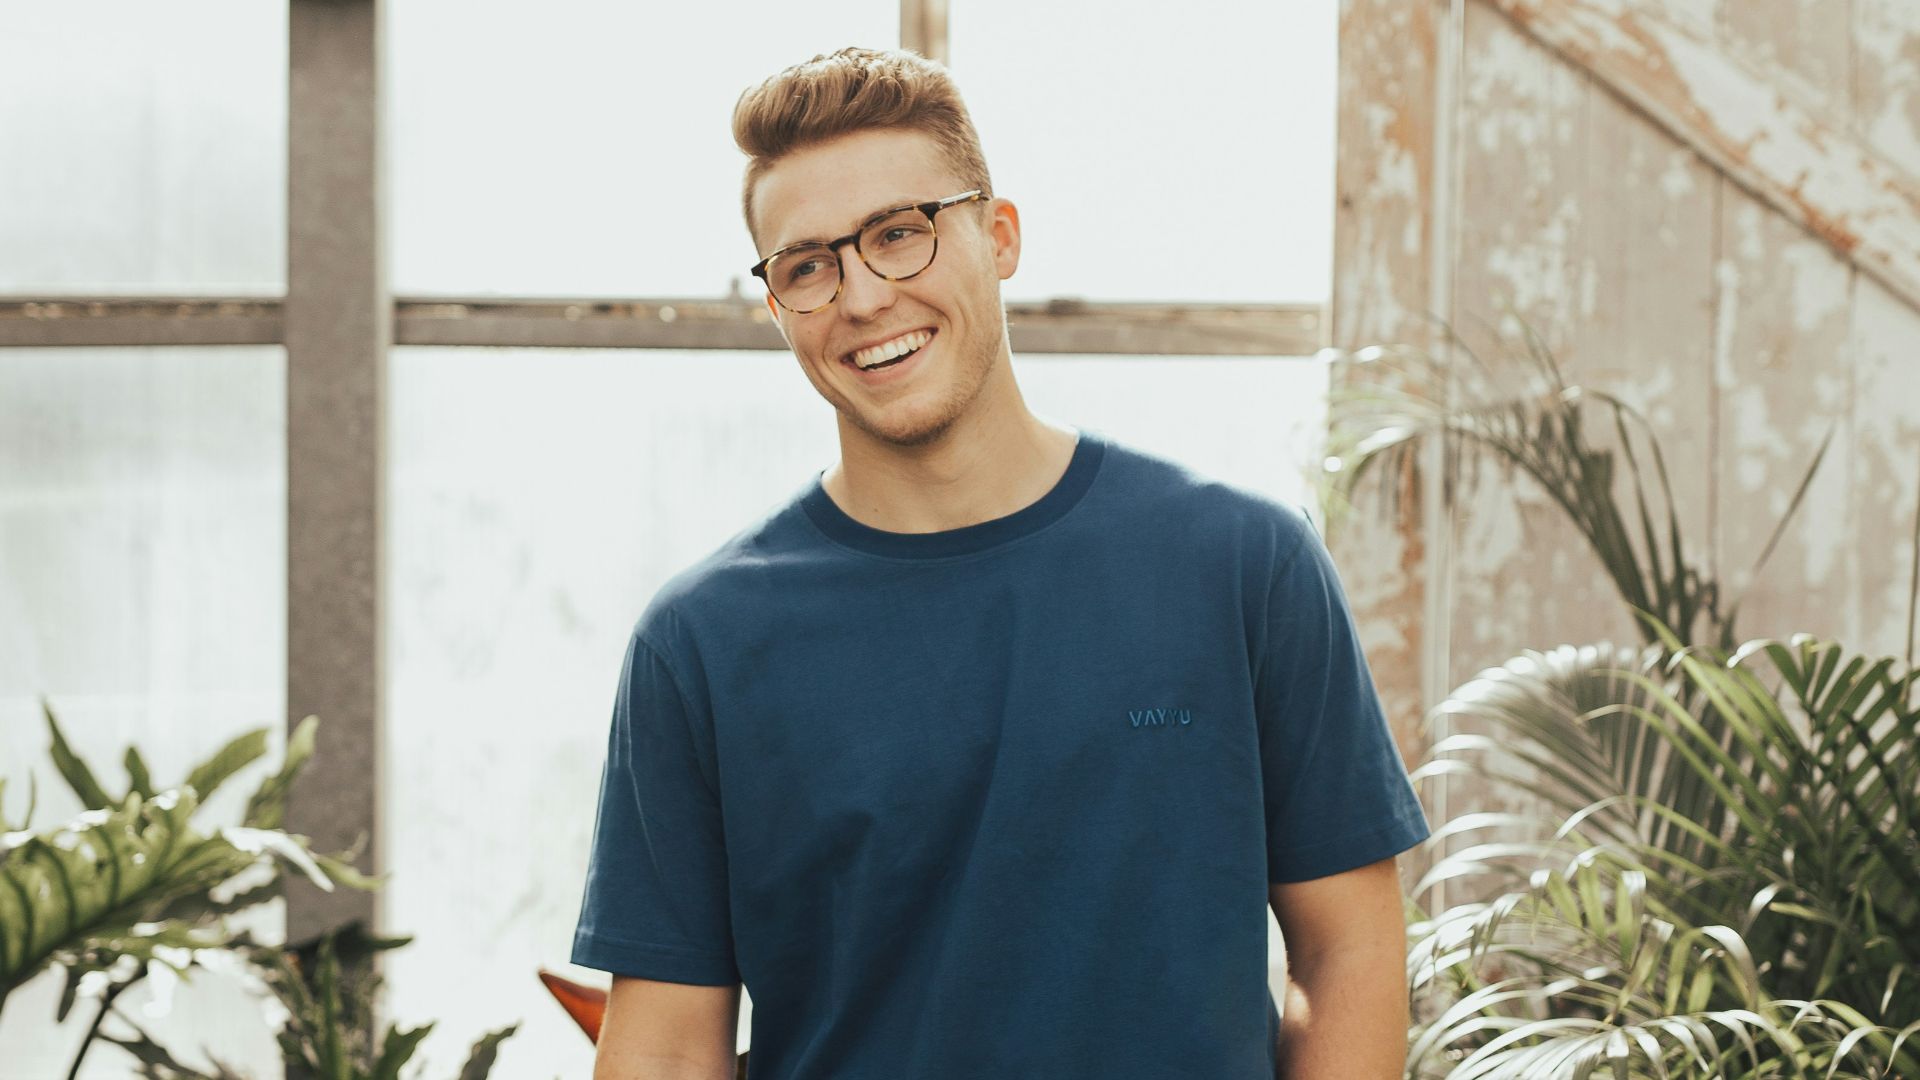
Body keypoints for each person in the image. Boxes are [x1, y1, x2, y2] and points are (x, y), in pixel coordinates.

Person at [569, 45, 1430, 1080]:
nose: (864, 296)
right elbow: (664, 1049)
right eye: (809, 266)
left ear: (1000, 235)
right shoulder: (701, 641)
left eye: (900, 235)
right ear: (777, 305)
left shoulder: (1242, 564)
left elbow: (1350, 952)